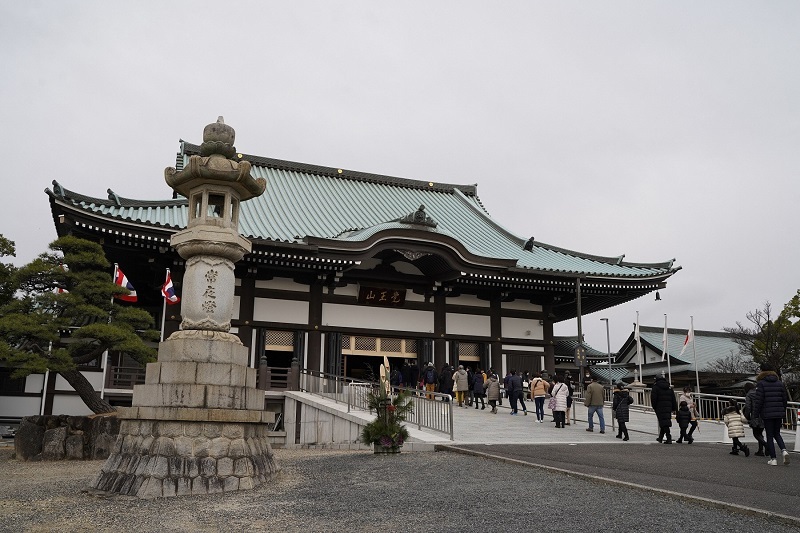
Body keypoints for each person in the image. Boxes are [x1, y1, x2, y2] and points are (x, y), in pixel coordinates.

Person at [752, 363, 790, 466]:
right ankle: (784, 450)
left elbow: (759, 400)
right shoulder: (779, 383)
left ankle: (773, 459)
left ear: (762, 371)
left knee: (769, 435)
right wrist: (782, 409)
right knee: (777, 433)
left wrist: (755, 414)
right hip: (779, 412)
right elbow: (784, 399)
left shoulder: (761, 384)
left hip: (767, 413)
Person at [651, 375, 678, 444]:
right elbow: (673, 398)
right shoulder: (669, 387)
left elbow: (653, 398)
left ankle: (668, 437)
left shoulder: (656, 387)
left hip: (659, 406)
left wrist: (654, 406)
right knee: (664, 421)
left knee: (663, 422)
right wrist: (674, 407)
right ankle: (660, 438)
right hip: (668, 406)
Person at [743, 382, 767, 457]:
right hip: (763, 415)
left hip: (755, 416)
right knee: (760, 433)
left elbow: (748, 407)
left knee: (756, 434)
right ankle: (760, 450)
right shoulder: (760, 392)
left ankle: (766, 445)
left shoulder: (749, 394)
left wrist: (747, 416)